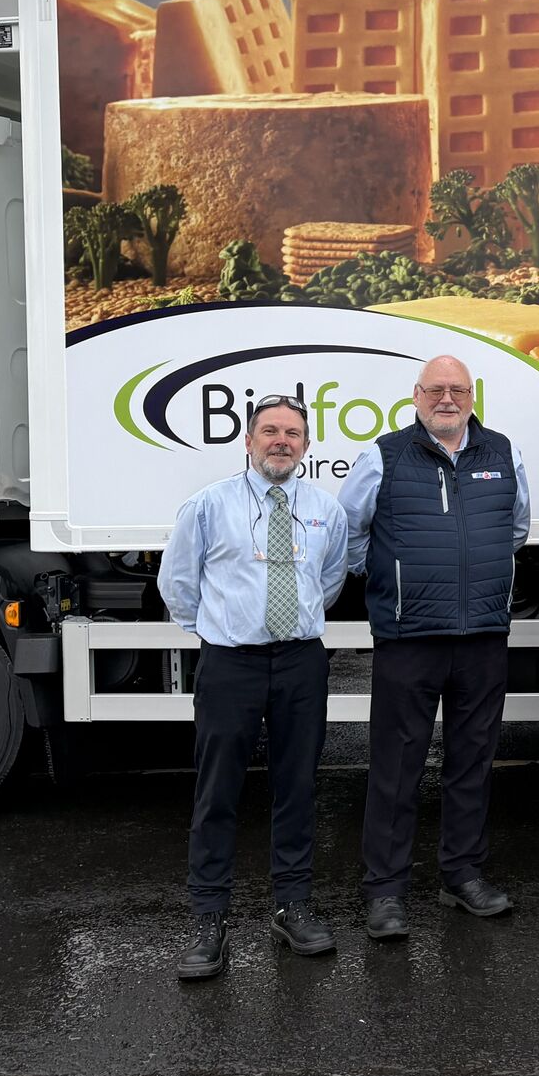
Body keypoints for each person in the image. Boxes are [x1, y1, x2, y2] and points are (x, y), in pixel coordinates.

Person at [160, 393, 349, 981]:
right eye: (269, 431)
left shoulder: (326, 510)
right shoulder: (209, 506)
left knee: (297, 787)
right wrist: (217, 631)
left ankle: (293, 907)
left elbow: (330, 579)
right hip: (230, 664)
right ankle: (209, 918)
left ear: (306, 445)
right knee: (217, 791)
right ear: (248, 441)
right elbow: (178, 583)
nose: (280, 442)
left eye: (292, 433)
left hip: (300, 662)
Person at [340, 354, 530, 935]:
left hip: (482, 637)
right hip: (409, 637)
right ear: (416, 396)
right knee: (396, 767)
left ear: (472, 397)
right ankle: (385, 890)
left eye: (458, 390)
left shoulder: (503, 453)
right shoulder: (383, 456)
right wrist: (388, 581)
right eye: (435, 390)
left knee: (471, 763)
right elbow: (350, 533)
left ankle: (462, 875)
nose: (447, 400)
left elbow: (516, 529)